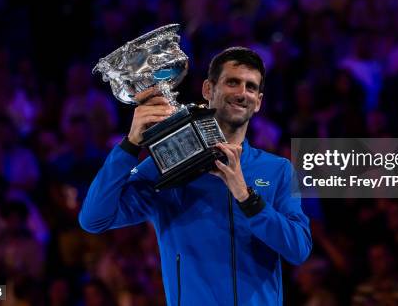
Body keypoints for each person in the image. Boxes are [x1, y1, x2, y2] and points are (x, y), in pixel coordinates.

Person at [79, 47, 312, 305]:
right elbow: (94, 219)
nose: (241, 93)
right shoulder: (165, 166)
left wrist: (246, 197)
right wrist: (131, 145)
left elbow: (298, 249)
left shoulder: (277, 170)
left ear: (258, 101)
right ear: (208, 90)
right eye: (232, 82)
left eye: (250, 86)